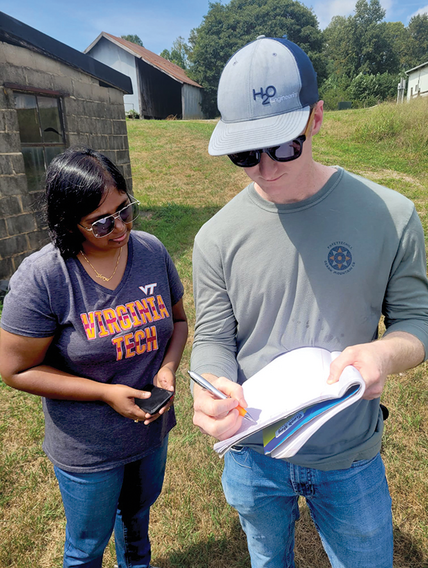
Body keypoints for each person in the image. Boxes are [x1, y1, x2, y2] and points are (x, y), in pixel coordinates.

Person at [190, 36, 428, 567]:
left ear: (316, 118)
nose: (266, 168)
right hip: (253, 453)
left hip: (349, 454)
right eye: (245, 154)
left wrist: (385, 355)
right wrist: (208, 385)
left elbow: (416, 321)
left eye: (284, 146)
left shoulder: (391, 216)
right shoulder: (215, 238)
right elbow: (211, 336)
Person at [0, 146, 188, 568]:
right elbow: (15, 369)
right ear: (69, 221)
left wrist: (167, 369)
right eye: (101, 222)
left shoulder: (151, 252)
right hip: (88, 447)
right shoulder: (45, 275)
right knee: (86, 546)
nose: (119, 227)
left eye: (124, 209)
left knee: (137, 526)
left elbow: (177, 322)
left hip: (149, 433)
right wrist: (104, 393)